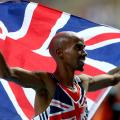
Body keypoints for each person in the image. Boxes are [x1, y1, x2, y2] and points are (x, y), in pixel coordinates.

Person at [0, 31, 120, 120]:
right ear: (60, 53)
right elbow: (6, 73)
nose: (85, 53)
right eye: (78, 48)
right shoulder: (45, 82)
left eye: (84, 48)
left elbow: (114, 79)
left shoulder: (83, 82)